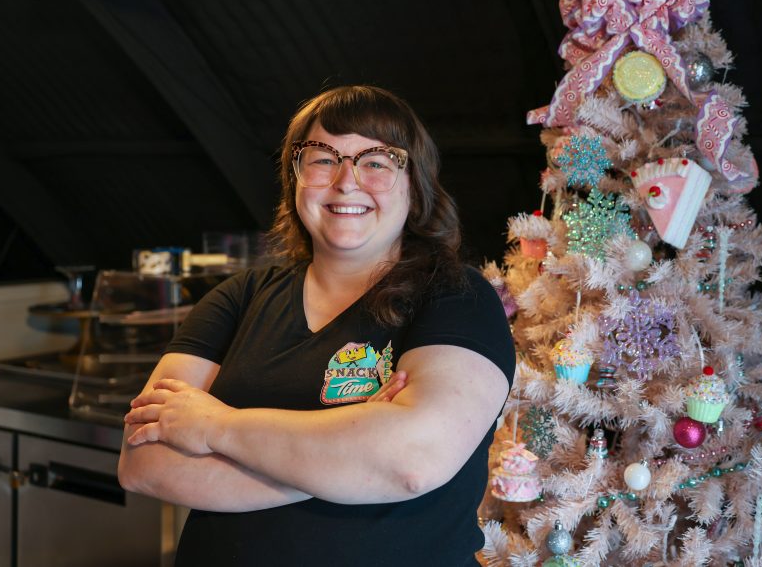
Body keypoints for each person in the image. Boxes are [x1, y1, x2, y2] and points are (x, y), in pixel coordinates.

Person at [118, 85, 515, 566]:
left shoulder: (457, 296)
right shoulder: (239, 297)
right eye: (323, 158)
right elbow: (143, 462)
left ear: (416, 186)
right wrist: (350, 454)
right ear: (295, 178)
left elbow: (410, 461)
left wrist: (215, 427)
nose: (347, 182)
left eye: (376, 161)